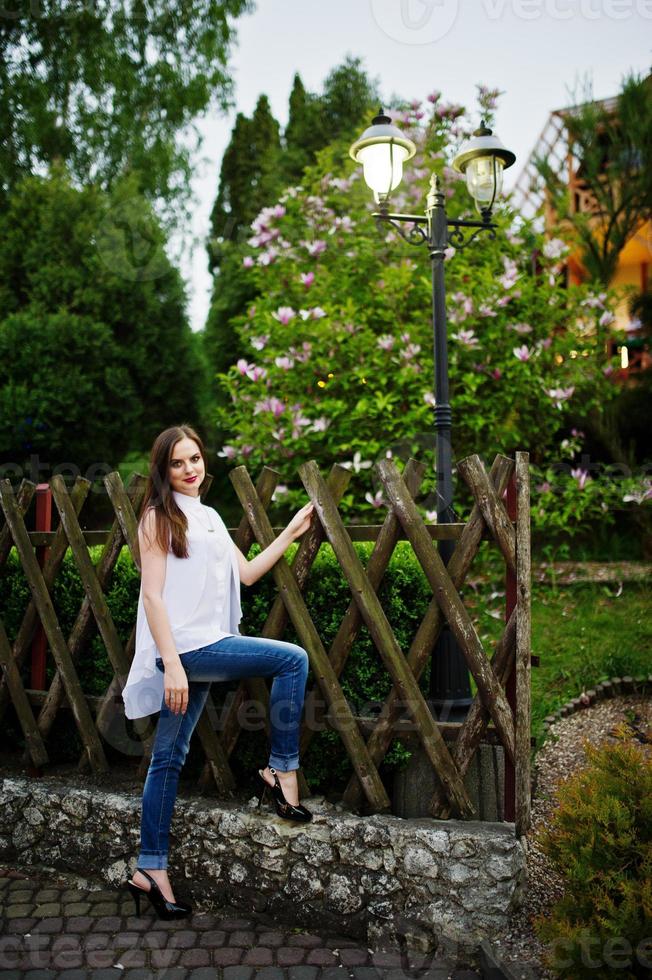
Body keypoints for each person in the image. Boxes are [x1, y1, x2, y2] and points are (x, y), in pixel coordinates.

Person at [121, 424, 315, 919]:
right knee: (292, 659)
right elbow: (153, 595)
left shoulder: (208, 517)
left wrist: (290, 533)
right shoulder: (156, 519)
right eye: (178, 463)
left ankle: (149, 869)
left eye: (195, 459)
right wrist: (174, 668)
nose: (190, 470)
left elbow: (245, 574)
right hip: (186, 650)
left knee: (168, 757)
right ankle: (280, 769)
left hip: (209, 644)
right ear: (164, 471)